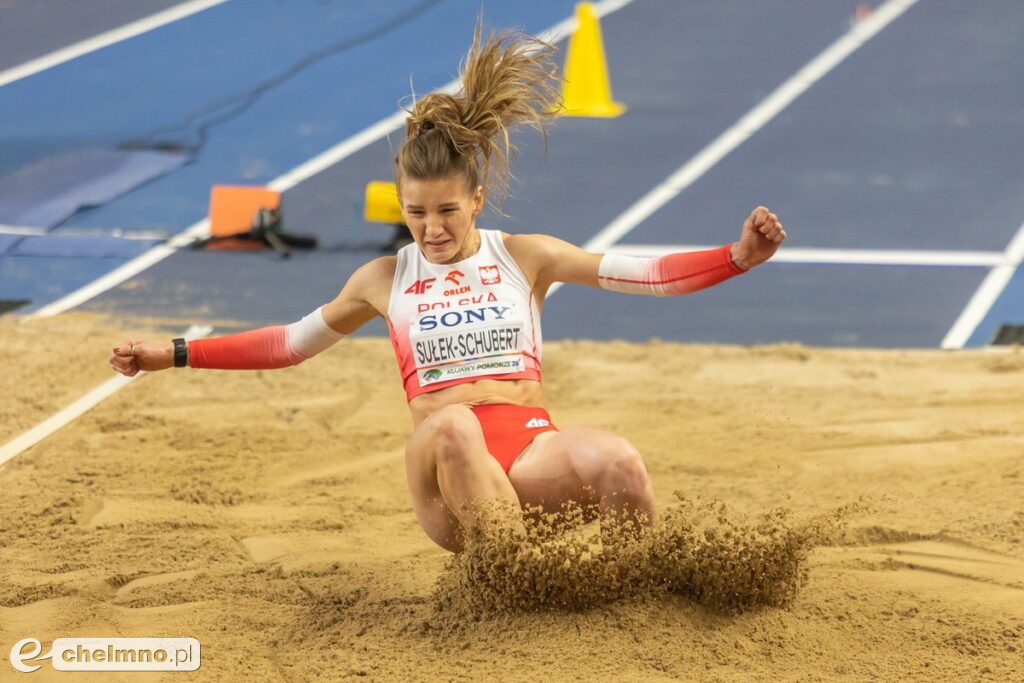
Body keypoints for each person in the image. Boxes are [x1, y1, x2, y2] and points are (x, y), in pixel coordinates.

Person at [109, 26, 786, 553]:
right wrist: (176, 353)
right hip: (446, 476)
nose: (431, 229)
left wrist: (736, 258)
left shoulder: (525, 257)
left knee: (620, 460)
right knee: (457, 425)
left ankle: (642, 589)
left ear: (477, 199)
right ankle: (513, 579)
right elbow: (289, 344)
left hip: (531, 457)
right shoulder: (384, 279)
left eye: (447, 211)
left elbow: (645, 275)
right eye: (416, 213)